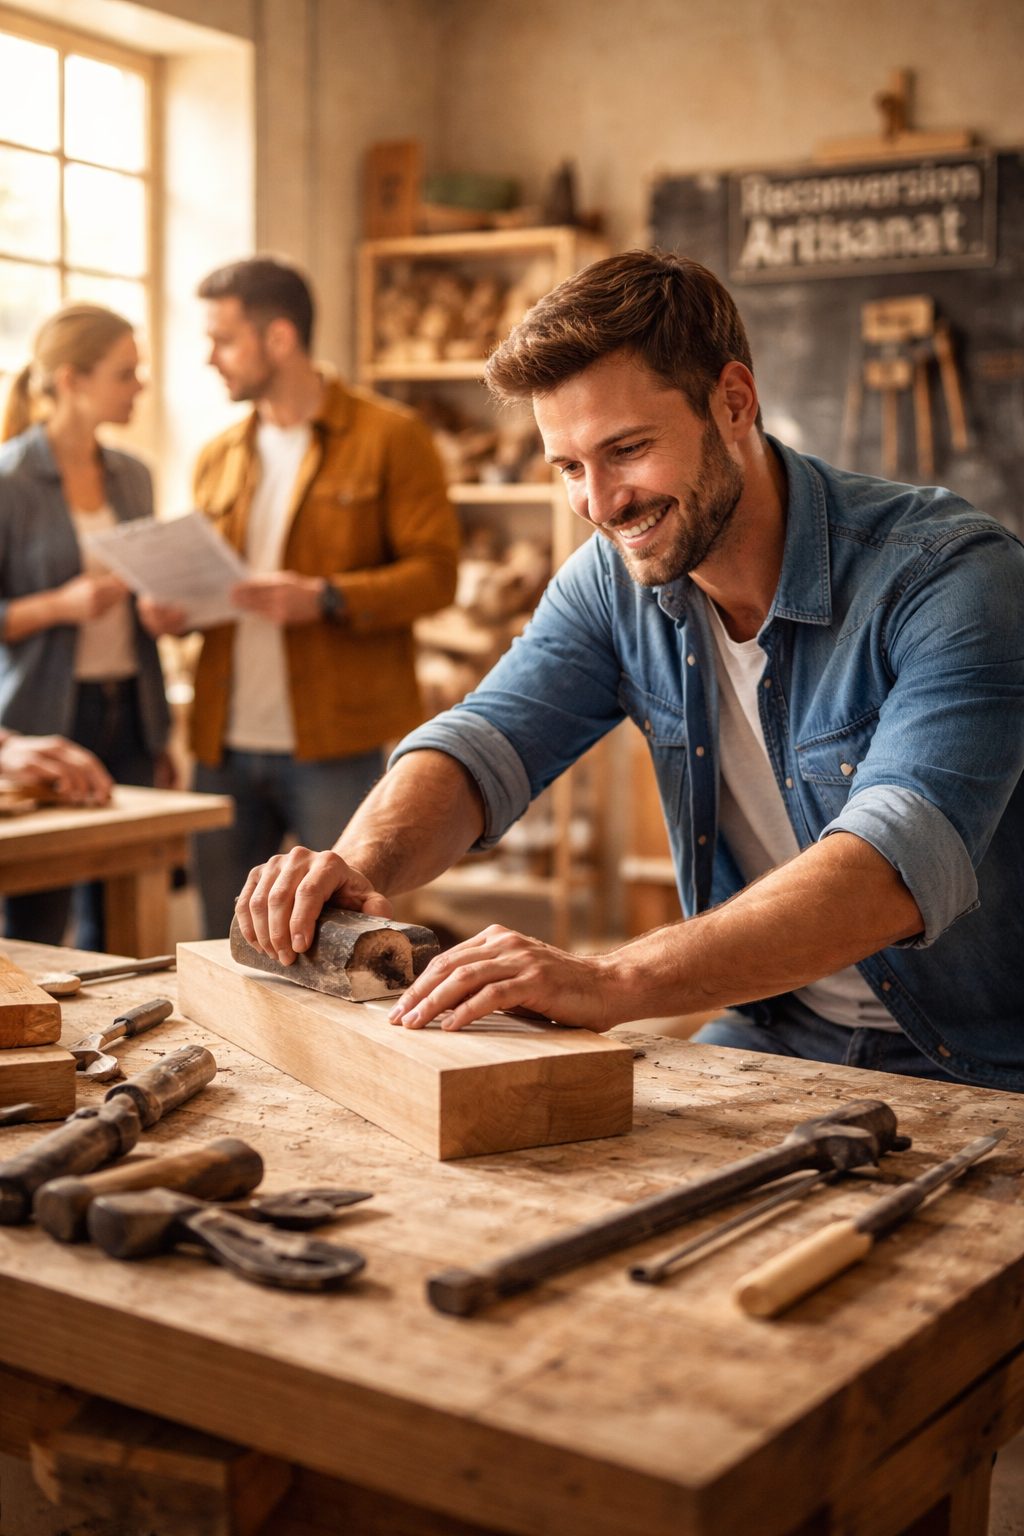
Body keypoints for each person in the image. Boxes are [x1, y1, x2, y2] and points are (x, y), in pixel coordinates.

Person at [233, 250, 1024, 1093]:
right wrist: (360, 868)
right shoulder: (615, 579)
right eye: (569, 467)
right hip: (777, 1024)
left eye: (628, 450)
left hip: (989, 1055)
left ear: (733, 403)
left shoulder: (956, 578)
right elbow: (484, 741)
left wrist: (610, 981)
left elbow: (891, 870)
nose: (601, 504)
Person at [189, 256, 460, 938]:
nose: (210, 357)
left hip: (335, 744)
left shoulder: (391, 437)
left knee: (351, 943)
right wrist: (177, 608)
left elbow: (437, 574)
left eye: (223, 339)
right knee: (224, 943)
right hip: (219, 744)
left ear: (279, 338)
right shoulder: (218, 455)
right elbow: (215, 584)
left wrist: (327, 597)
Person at [0, 304, 175, 948]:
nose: (140, 387)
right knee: (38, 924)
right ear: (71, 379)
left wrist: (157, 609)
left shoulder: (135, 476)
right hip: (42, 723)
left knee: (125, 919)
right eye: (126, 373)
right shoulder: (9, 481)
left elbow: (145, 587)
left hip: (129, 708)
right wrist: (59, 606)